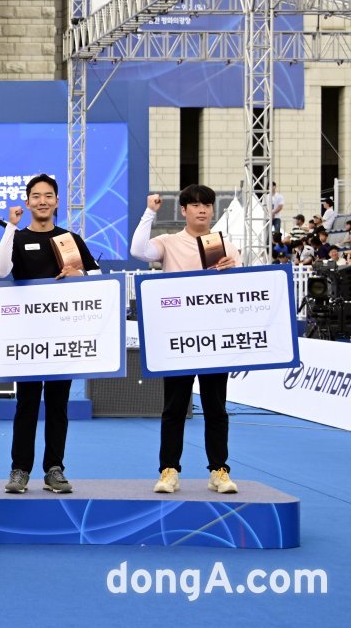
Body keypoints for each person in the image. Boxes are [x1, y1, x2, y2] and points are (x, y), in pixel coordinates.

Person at [0, 173, 99, 494]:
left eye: (48, 196)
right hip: (26, 339)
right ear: (27, 202)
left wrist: (79, 273)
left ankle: (54, 469)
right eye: (36, 196)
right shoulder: (18, 238)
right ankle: (19, 470)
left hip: (62, 337)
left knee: (57, 405)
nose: (42, 201)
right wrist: (10, 227)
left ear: (56, 201)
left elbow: (97, 278)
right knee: (26, 404)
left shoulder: (70, 239)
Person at [131, 184, 241, 495]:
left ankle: (219, 470)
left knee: (216, 407)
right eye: (194, 205)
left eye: (206, 204)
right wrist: (150, 212)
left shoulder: (225, 246)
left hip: (214, 339)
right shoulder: (168, 242)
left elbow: (241, 293)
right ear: (183, 211)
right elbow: (138, 251)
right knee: (174, 408)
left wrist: (235, 270)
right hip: (177, 339)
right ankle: (169, 470)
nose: (202, 209)